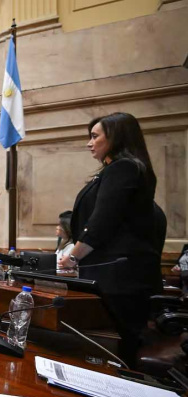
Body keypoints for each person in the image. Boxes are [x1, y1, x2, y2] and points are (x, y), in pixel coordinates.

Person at [60, 113, 163, 366]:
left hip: (119, 282)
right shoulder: (122, 169)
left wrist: (72, 257)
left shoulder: (124, 167)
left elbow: (102, 222)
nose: (89, 142)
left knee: (117, 354)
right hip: (116, 278)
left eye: (95, 136)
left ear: (116, 137)